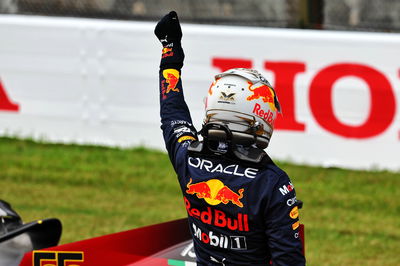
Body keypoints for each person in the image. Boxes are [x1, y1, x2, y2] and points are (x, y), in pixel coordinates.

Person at [154, 11, 306, 266]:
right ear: (258, 116)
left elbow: (172, 114)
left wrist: (170, 52)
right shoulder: (272, 183)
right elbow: (289, 261)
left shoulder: (187, 157)